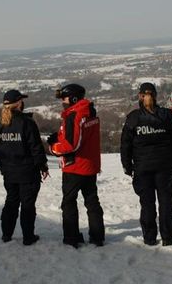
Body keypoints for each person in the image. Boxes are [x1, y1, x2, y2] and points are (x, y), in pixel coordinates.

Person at [120, 82, 172, 246]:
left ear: (140, 96)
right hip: (165, 167)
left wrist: (127, 165)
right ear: (155, 95)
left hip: (142, 168)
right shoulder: (166, 116)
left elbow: (125, 144)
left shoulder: (133, 118)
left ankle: (149, 238)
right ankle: (167, 237)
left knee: (147, 204)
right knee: (166, 203)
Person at [47, 84, 105, 248]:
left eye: (64, 99)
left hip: (74, 167)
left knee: (69, 202)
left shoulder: (74, 115)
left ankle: (71, 237)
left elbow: (72, 145)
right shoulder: (90, 112)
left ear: (73, 98)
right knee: (92, 201)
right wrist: (59, 136)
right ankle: (97, 237)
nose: (62, 102)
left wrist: (53, 147)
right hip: (90, 165)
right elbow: (79, 136)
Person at [0, 89, 49, 245]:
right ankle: (28, 237)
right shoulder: (27, 123)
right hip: (28, 173)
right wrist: (43, 166)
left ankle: (6, 234)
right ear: (18, 103)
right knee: (27, 205)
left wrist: (2, 167)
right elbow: (36, 148)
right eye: (21, 100)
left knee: (11, 202)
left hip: (9, 173)